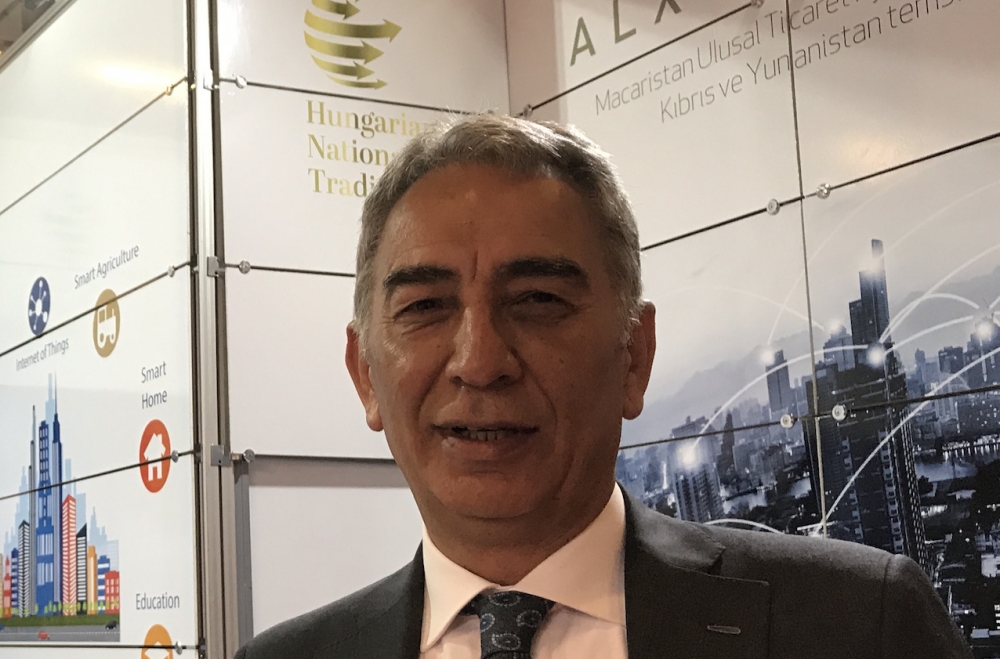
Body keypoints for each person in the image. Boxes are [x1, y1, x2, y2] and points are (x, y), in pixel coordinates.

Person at [235, 115, 972, 659]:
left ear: (634, 356)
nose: (480, 361)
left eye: (537, 300)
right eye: (426, 306)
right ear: (365, 373)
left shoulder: (858, 624)